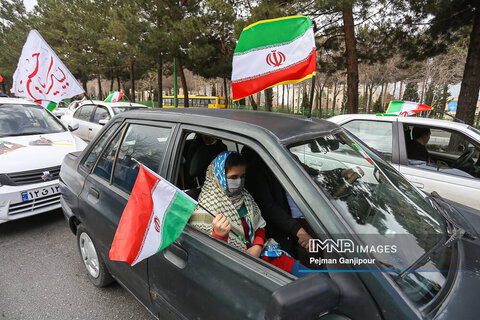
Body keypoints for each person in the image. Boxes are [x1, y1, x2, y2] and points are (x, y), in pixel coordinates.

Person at [190, 151, 308, 277]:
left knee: (312, 277)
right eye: (233, 177)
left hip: (262, 253)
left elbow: (260, 226)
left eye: (242, 176)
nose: (239, 182)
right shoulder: (204, 211)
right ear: (219, 176)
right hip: (235, 270)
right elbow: (209, 259)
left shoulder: (245, 197)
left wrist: (257, 246)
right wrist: (219, 236)